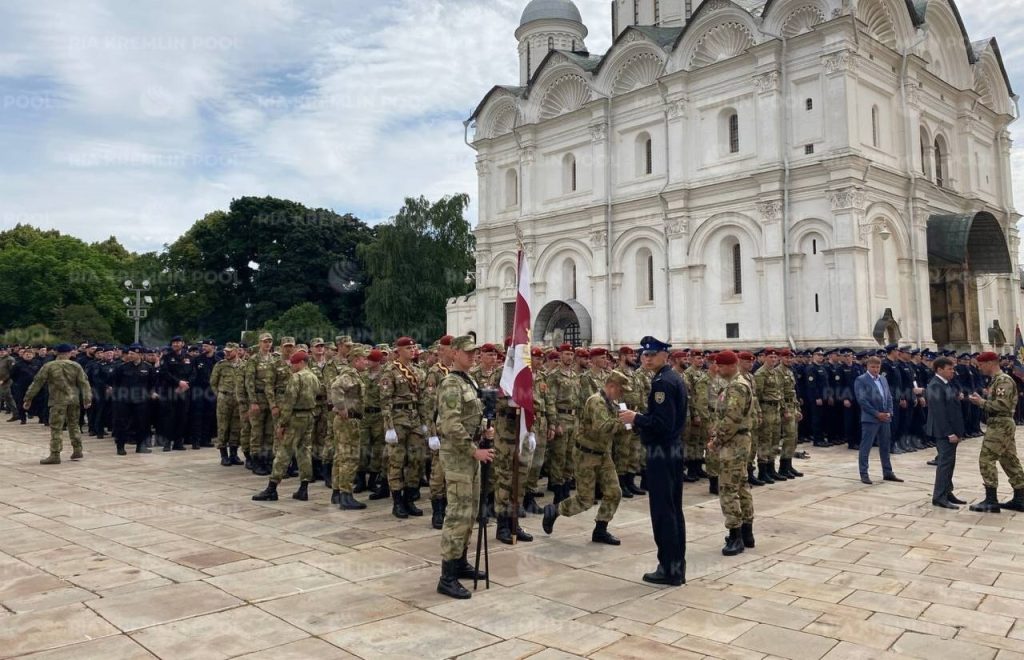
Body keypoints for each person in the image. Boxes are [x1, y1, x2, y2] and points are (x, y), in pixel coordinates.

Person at [618, 335, 687, 586]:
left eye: (651, 355)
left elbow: (662, 424)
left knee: (664, 512)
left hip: (663, 452)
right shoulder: (669, 378)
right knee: (672, 510)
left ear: (664, 356)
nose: (645, 358)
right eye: (643, 354)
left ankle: (669, 569)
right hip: (671, 450)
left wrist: (635, 418)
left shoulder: (662, 384)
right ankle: (675, 567)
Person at [435, 335, 494, 600]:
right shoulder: (450, 384)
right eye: (468, 353)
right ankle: (446, 576)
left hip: (471, 456)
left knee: (470, 513)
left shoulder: (468, 381)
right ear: (455, 353)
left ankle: (460, 562)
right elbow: (450, 425)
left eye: (475, 353)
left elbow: (471, 417)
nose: (472, 357)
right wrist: (474, 450)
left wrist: (485, 431)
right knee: (458, 514)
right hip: (459, 456)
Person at [542, 370, 629, 545]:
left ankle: (600, 529)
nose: (622, 393)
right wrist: (627, 421)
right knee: (585, 500)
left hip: (603, 454)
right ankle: (554, 510)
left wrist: (628, 421)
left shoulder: (612, 402)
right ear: (611, 386)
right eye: (621, 389)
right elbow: (601, 427)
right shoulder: (596, 401)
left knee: (614, 492)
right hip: (586, 455)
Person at [252, 351, 320, 502]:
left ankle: (272, 488)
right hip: (309, 416)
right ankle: (304, 488)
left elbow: (289, 403)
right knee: (304, 452)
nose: (292, 367)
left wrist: (282, 424)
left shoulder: (296, 378)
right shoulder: (314, 377)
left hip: (295, 418)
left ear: (301, 362)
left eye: (294, 364)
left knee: (284, 452)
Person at [708, 350, 755, 556]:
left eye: (719, 366)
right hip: (739, 441)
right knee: (742, 484)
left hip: (733, 443)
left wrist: (717, 441)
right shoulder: (737, 383)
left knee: (728, 487)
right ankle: (747, 533)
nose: (716, 369)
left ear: (729, 366)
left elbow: (732, 419)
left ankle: (735, 535)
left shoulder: (736, 386)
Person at [967, 352, 1024, 513]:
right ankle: (1020, 497)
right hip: (1001, 423)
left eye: (982, 364)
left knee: (986, 459)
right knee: (1009, 460)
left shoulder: (1003, 380)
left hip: (1000, 424)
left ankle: (991, 500)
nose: (980, 368)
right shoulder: (997, 380)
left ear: (991, 362)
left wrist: (981, 402)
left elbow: (1002, 405)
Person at [24, 344, 93, 464]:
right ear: (70, 352)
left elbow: (37, 383)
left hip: (57, 400)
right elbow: (84, 383)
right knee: (74, 424)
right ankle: (77, 449)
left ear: (56, 353)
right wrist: (87, 399)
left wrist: (28, 398)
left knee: (56, 427)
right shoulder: (76, 366)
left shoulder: (49, 366)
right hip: (73, 400)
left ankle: (55, 454)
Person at [853, 356, 903, 485]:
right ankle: (864, 473)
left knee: (885, 446)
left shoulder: (883, 379)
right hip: (871, 418)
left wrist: (890, 412)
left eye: (877, 367)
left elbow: (888, 397)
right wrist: (876, 413)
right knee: (866, 446)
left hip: (885, 418)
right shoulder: (861, 380)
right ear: (867, 367)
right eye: (872, 367)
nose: (875, 369)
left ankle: (888, 472)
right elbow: (862, 400)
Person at [924, 356, 966, 508]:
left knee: (949, 463)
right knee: (944, 463)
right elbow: (939, 412)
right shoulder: (935, 385)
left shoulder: (945, 383)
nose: (952, 372)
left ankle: (947, 492)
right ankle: (939, 496)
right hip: (944, 432)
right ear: (939, 369)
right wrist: (949, 433)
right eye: (949, 369)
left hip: (951, 430)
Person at [210, 342, 245, 466]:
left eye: (230, 351)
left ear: (236, 351)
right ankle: (224, 455)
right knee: (223, 426)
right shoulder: (220, 365)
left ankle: (234, 454)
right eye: (226, 351)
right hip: (224, 398)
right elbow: (213, 382)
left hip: (238, 400)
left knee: (236, 427)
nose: (227, 353)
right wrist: (219, 394)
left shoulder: (243, 365)